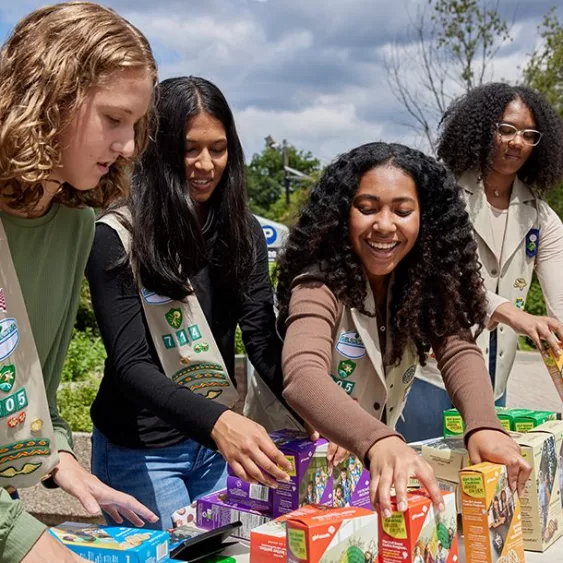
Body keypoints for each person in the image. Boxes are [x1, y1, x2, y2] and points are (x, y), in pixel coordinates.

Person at [276, 142, 531, 518]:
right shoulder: (318, 283)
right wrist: (378, 439)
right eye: (367, 208)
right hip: (293, 471)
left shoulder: (425, 283)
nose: (384, 224)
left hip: (369, 465)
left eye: (402, 210)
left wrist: (483, 427)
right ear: (340, 214)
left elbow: (459, 349)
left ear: (425, 218)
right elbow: (303, 376)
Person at [86, 76, 293, 531]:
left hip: (215, 446)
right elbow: (131, 366)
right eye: (189, 149)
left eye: (217, 149)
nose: (205, 164)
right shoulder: (117, 237)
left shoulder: (243, 231)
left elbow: (261, 338)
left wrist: (318, 411)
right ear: (157, 150)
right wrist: (219, 422)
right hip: (140, 452)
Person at [0, 3, 160, 562]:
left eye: (136, 124)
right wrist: (28, 545)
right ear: (50, 98)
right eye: (114, 119)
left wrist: (59, 456)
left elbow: (33, 382)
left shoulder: (73, 226)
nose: (130, 145)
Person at [400, 83, 563, 441]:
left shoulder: (541, 216)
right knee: (425, 483)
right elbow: (437, 275)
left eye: (528, 134)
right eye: (506, 129)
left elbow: (560, 305)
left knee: (481, 486)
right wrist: (512, 313)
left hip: (495, 380)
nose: (516, 142)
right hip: (432, 371)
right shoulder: (439, 195)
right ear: (480, 129)